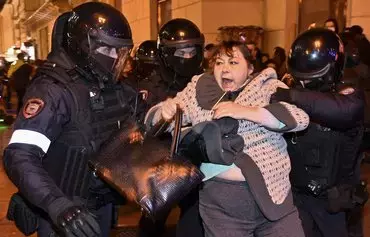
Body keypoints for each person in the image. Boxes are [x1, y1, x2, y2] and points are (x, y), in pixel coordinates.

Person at [3, 3, 142, 237]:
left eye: (119, 51)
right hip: (63, 213)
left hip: (100, 204)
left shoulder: (109, 86)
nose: (115, 58)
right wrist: (57, 205)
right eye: (108, 50)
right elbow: (19, 155)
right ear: (84, 46)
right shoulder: (53, 90)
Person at [145, 40, 309, 237]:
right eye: (219, 62)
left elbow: (300, 119)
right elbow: (155, 123)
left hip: (274, 196)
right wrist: (163, 111)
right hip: (221, 206)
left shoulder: (267, 86)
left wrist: (248, 112)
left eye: (233, 63)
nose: (224, 69)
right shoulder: (199, 88)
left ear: (249, 68)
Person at [271, 28, 366, 237]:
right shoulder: (291, 90)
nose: (304, 84)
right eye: (300, 79)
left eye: (310, 78)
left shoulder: (349, 96)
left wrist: (289, 95)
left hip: (334, 205)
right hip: (297, 197)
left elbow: (343, 111)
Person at [137, 18, 205, 237]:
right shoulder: (149, 88)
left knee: (193, 221)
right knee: (151, 224)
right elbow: (141, 130)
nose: (187, 58)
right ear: (166, 54)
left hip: (194, 165)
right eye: (180, 53)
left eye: (191, 51)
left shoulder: (205, 83)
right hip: (158, 168)